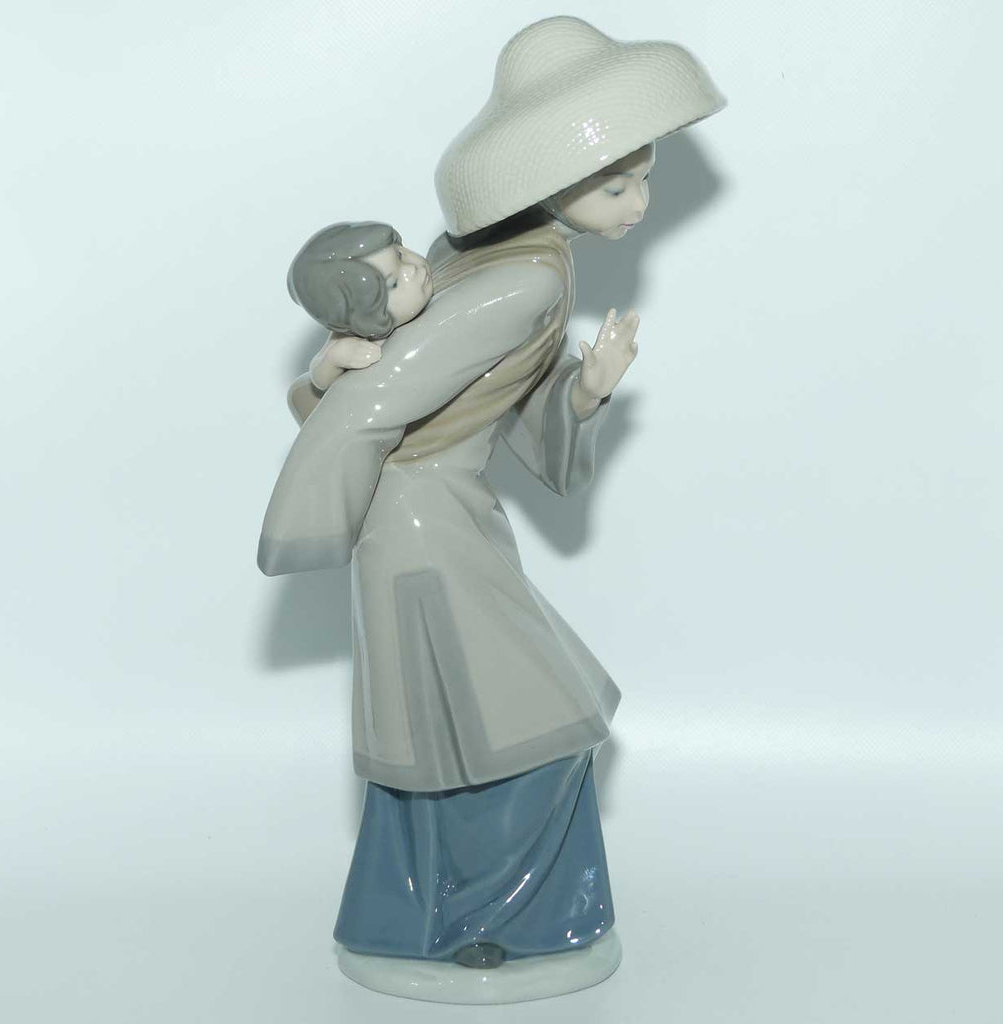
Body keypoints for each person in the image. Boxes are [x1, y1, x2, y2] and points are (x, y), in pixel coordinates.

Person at [257, 15, 725, 1000]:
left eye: (643, 176)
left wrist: (582, 392)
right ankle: (480, 920)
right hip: (422, 526)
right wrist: (308, 514)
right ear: (553, 179)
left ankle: (431, 916)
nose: (640, 201)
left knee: (462, 730)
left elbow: (479, 395)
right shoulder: (516, 279)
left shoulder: (508, 255)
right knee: (519, 726)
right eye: (616, 183)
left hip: (444, 513)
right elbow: (378, 402)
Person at [283, 221, 433, 422]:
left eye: (400, 255)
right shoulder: (356, 338)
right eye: (393, 283)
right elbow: (319, 375)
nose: (411, 269)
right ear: (362, 316)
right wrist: (337, 356)